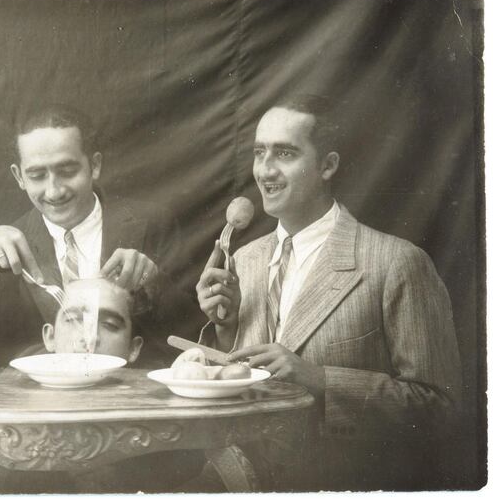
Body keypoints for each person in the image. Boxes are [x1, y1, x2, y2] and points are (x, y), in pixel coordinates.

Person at [195, 94, 462, 491]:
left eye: (284, 153)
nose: (265, 171)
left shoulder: (396, 262)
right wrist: (225, 327)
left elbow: (441, 409)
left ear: (327, 165)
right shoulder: (244, 260)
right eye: (259, 153)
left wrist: (319, 378)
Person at [0, 104, 200, 369]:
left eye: (67, 171)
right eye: (37, 175)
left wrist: (154, 284)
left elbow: (195, 340)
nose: (54, 191)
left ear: (95, 165)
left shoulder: (154, 225)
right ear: (19, 177)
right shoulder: (2, 253)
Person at [0, 277, 204, 494]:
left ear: (133, 348)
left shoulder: (162, 416)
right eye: (73, 320)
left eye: (108, 325)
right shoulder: (13, 396)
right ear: (50, 337)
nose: (88, 338)